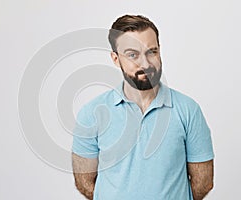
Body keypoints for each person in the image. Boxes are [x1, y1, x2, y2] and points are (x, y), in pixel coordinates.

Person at [72, 14, 214, 200]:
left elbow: (203, 182)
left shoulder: (188, 110)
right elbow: (84, 181)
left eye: (151, 52)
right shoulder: (91, 114)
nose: (145, 63)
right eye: (132, 55)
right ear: (116, 59)